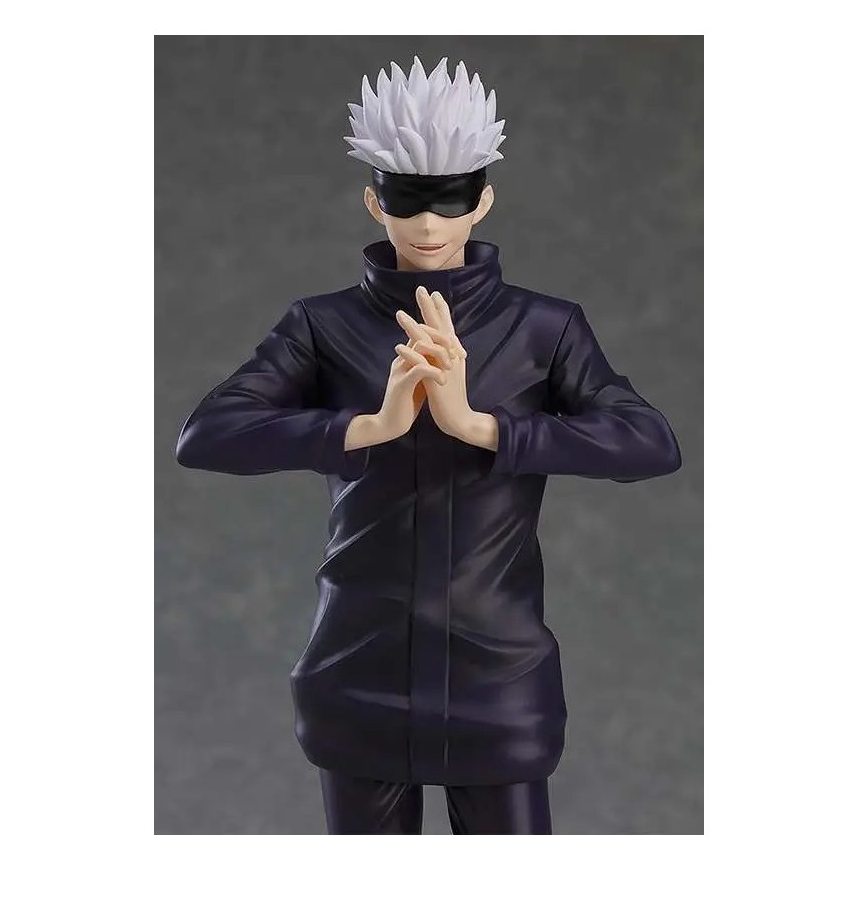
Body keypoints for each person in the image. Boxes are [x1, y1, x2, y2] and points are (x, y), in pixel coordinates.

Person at [176, 57, 682, 834]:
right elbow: (207, 434)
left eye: (450, 199)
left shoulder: (543, 328)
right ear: (373, 199)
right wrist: (365, 427)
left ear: (483, 200)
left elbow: (649, 442)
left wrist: (481, 426)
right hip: (357, 665)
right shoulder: (322, 325)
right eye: (406, 199)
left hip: (499, 670)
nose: (428, 225)